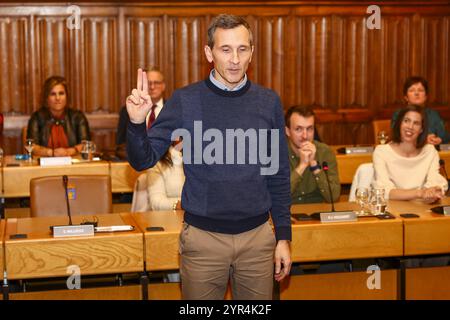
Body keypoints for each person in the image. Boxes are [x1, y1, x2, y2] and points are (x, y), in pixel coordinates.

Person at [126, 14, 291, 300]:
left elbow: (278, 174)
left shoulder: (269, 102)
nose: (235, 59)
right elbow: (143, 160)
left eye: (242, 49)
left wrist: (284, 237)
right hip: (203, 239)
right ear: (209, 53)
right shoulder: (185, 100)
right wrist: (137, 123)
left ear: (252, 52)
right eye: (225, 49)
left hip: (257, 238)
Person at [374, 104, 448, 202]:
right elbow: (385, 191)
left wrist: (434, 191)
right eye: (406, 121)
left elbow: (433, 183)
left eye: (416, 123)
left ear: (421, 129)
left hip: (421, 210)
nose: (410, 127)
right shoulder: (381, 152)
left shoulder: (430, 151)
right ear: (399, 124)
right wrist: (420, 193)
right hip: (391, 210)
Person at [285, 105, 340, 204]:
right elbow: (279, 195)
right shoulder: (277, 153)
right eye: (298, 129)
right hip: (287, 213)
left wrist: (314, 165)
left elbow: (333, 197)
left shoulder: (325, 152)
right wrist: (302, 166)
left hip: (317, 213)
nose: (305, 136)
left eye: (309, 129)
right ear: (287, 131)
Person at [27, 76, 90, 157]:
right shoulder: (37, 118)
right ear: (46, 98)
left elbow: (86, 144)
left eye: (61, 93)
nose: (57, 98)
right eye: (53, 94)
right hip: (45, 166)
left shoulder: (78, 117)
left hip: (73, 165)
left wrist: (69, 152)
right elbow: (31, 146)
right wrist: (50, 153)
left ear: (67, 96)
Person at [116, 67, 166, 160]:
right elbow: (120, 144)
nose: (152, 87)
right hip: (136, 164)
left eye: (156, 83)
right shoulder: (129, 110)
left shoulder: (172, 109)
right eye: (149, 83)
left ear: (163, 86)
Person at [391, 76, 450, 146]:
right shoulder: (399, 114)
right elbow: (397, 136)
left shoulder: (433, 114)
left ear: (425, 96)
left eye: (420, 90)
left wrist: (439, 139)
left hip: (430, 152)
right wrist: (424, 139)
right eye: (412, 90)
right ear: (406, 97)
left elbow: (445, 135)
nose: (416, 93)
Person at [146, 142, 184, 211]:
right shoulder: (157, 162)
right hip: (169, 217)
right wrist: (180, 205)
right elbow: (155, 201)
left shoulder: (201, 158)